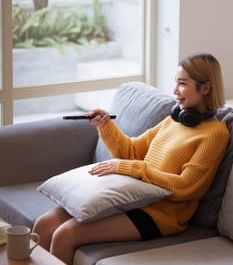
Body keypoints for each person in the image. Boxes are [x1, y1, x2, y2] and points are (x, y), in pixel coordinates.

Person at [33, 53, 230, 265]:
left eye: (182, 84)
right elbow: (132, 151)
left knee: (66, 235)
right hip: (132, 196)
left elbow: (187, 187)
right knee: (44, 224)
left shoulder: (214, 134)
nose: (174, 91)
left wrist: (131, 168)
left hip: (160, 215)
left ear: (206, 88)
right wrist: (105, 125)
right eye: (175, 83)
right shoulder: (174, 121)